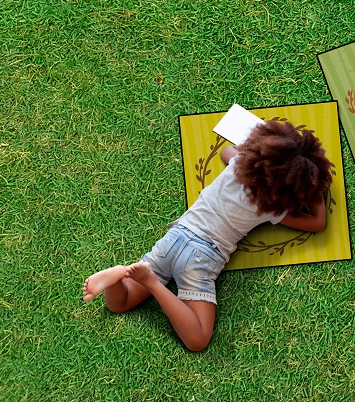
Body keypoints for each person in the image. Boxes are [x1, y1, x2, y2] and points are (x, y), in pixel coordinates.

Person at [82, 120, 333, 350]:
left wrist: (253, 149)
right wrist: (314, 190)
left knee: (119, 304)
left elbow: (226, 151)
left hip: (174, 238)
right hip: (202, 257)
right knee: (198, 339)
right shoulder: (269, 207)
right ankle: (151, 282)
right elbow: (318, 222)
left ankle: (117, 277)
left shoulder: (236, 164)